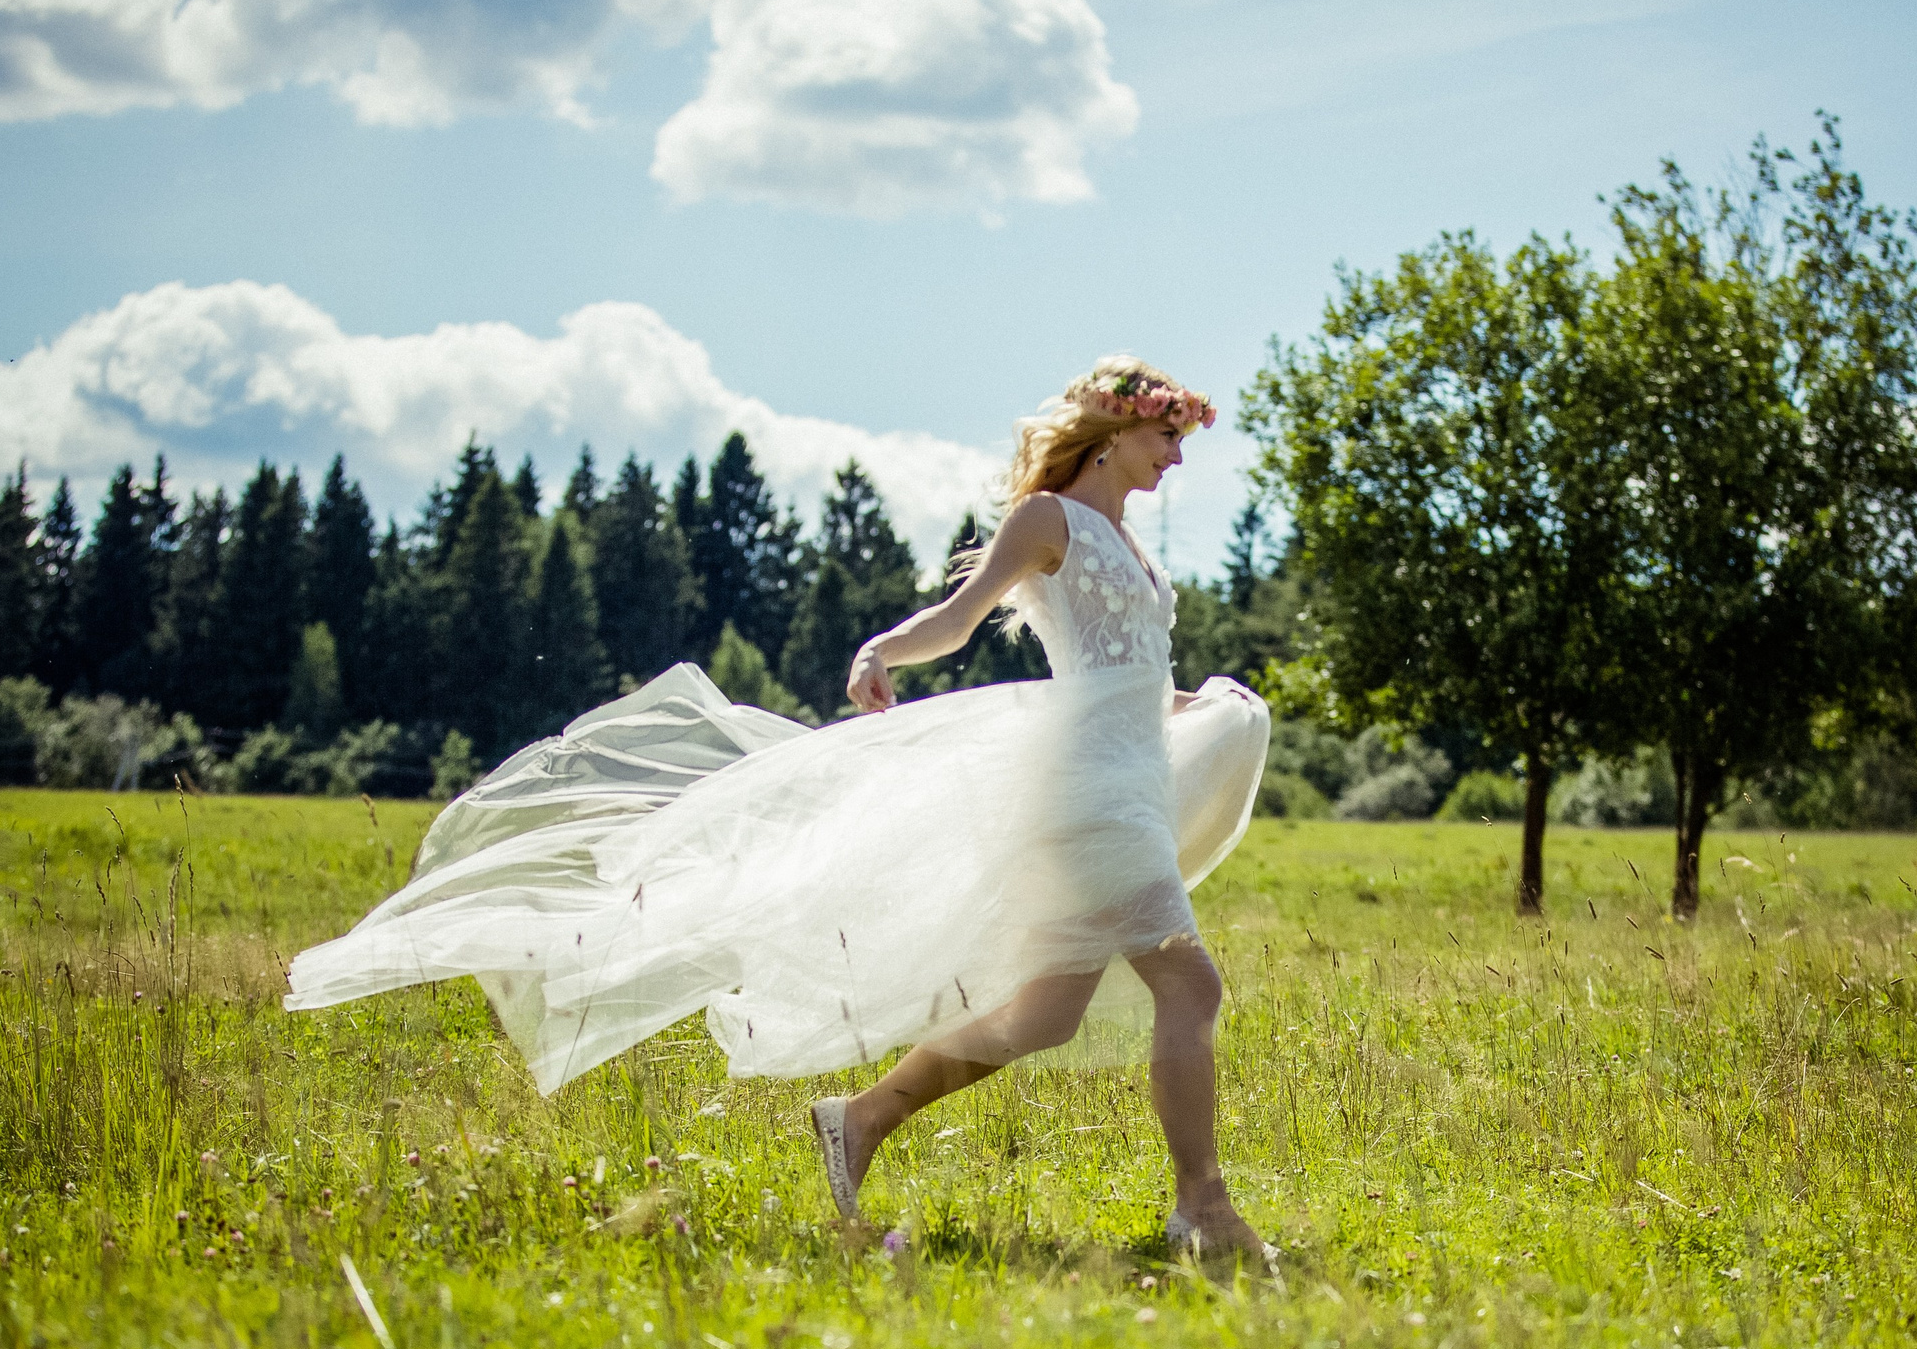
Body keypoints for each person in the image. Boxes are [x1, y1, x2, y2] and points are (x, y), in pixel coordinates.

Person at [286, 356, 1275, 1259]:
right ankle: (1205, 1210)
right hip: (1087, 792)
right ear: (1110, 430)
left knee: (1046, 1018)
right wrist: (883, 649)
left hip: (1130, 775)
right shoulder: (1049, 521)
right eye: (1166, 436)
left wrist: (1206, 704)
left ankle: (861, 1120)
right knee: (1190, 990)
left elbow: (1132, 672)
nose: (1176, 457)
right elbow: (959, 617)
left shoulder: (1132, 546)